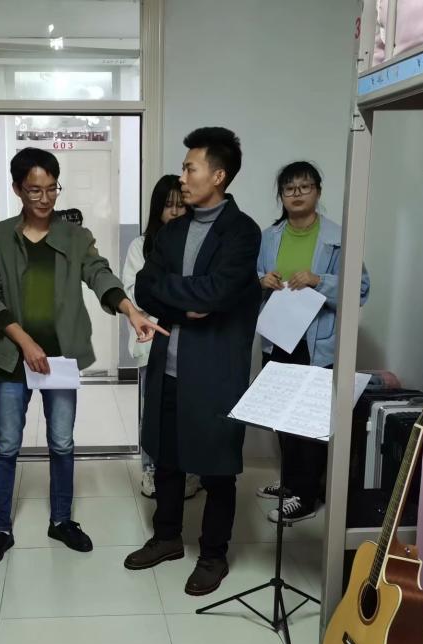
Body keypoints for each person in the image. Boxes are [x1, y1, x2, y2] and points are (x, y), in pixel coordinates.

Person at [0, 147, 165, 568]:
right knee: (6, 445)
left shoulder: (75, 237)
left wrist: (129, 309)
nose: (44, 198)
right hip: (12, 358)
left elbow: (99, 274)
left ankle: (61, 520)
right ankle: (0, 528)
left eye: (51, 189)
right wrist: (25, 342)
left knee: (62, 442)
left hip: (58, 361)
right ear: (17, 189)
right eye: (34, 190)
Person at [124, 127, 262, 596]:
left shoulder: (242, 232)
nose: (182, 177)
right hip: (168, 365)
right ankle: (166, 538)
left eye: (190, 168)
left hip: (215, 371)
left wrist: (182, 298)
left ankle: (213, 555)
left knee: (218, 468)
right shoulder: (173, 230)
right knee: (166, 458)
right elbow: (146, 288)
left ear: (218, 175)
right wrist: (192, 304)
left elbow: (218, 292)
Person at [254, 161, 371, 521]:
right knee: (281, 414)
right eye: (290, 188)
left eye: (305, 187)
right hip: (279, 336)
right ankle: (292, 482)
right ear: (281, 196)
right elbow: (252, 274)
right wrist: (261, 280)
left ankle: (306, 496)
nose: (297, 194)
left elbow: (361, 287)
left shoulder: (338, 237)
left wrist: (320, 280)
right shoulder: (269, 236)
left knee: (309, 418)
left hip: (317, 341)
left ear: (318, 191)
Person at [121, 175, 201, 501]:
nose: (175, 212)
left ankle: (190, 472)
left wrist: (169, 295)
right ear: (157, 209)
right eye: (168, 205)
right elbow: (134, 294)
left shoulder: (198, 243)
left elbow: (202, 294)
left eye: (181, 205)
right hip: (153, 343)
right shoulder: (141, 246)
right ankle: (151, 470)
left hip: (193, 345)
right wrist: (177, 299)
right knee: (153, 412)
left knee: (190, 412)